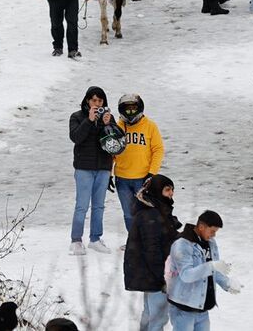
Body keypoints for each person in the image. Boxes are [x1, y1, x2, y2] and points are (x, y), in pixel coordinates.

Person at [167, 211, 240, 331]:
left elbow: (214, 269)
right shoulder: (182, 245)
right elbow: (186, 275)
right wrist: (211, 266)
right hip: (184, 309)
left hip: (202, 308)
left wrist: (227, 283)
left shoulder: (211, 243)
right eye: (212, 231)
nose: (214, 235)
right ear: (201, 227)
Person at [124, 174, 179, 331]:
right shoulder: (151, 214)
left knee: (149, 314)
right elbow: (152, 249)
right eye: (167, 190)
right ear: (156, 191)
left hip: (148, 272)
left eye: (172, 190)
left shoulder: (155, 210)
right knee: (158, 317)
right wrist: (163, 277)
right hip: (154, 273)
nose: (171, 194)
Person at [68, 86, 117, 255]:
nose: (97, 103)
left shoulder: (108, 118)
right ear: (87, 101)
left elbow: (117, 143)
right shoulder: (77, 116)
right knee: (81, 206)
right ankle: (76, 240)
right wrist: (89, 120)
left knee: (99, 206)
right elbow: (76, 138)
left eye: (100, 100)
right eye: (94, 100)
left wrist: (108, 124)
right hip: (83, 168)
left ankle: (95, 238)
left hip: (103, 168)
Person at [114, 93, 164, 232]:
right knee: (128, 213)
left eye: (133, 109)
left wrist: (151, 173)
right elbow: (111, 151)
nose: (130, 112)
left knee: (146, 212)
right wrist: (107, 173)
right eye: (127, 109)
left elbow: (158, 150)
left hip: (143, 178)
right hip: (122, 178)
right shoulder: (117, 127)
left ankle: (147, 242)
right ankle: (133, 242)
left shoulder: (150, 126)